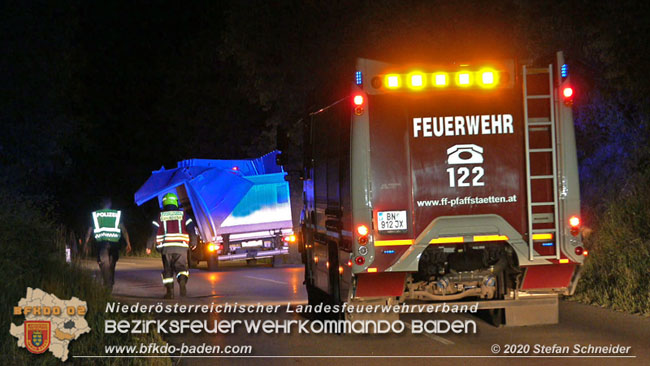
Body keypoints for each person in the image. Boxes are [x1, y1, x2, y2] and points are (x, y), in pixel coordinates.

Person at [147, 192, 195, 299]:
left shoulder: (159, 216)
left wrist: (149, 246)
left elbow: (153, 232)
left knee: (168, 270)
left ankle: (170, 293)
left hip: (166, 248)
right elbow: (191, 228)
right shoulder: (183, 215)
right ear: (175, 202)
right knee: (182, 268)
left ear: (164, 204)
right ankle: (182, 282)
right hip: (181, 247)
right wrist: (193, 242)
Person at [84, 198, 132, 291]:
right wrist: (128, 243)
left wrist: (85, 243)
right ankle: (110, 282)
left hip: (102, 243)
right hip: (114, 243)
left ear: (101, 204)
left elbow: (89, 231)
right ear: (110, 205)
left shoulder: (95, 214)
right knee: (112, 263)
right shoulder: (117, 214)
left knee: (103, 263)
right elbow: (124, 230)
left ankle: (108, 283)